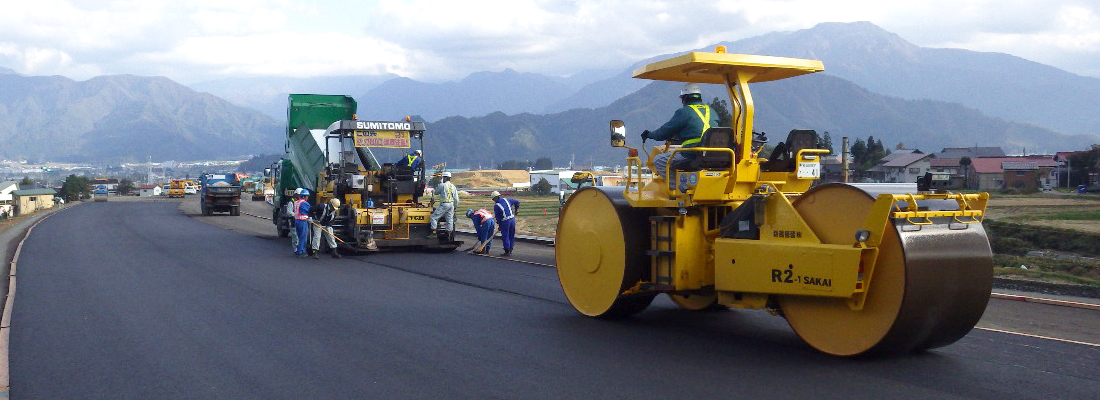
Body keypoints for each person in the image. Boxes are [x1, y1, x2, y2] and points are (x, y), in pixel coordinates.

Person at [641, 82, 720, 187]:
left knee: (659, 160)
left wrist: (649, 134)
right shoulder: (712, 111)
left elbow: (663, 132)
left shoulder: (685, 112)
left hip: (692, 153)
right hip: (713, 154)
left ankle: (677, 189)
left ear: (685, 98)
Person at [428, 172, 459, 238]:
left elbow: (436, 192)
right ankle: (449, 234)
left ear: (444, 178)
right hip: (451, 205)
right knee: (449, 219)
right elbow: (456, 198)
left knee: (433, 217)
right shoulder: (453, 186)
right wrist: (455, 207)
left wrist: (438, 184)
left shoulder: (442, 185)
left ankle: (433, 233)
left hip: (444, 204)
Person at [491, 191, 520, 256]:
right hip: (512, 219)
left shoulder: (496, 206)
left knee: (505, 236)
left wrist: (499, 225)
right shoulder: (507, 200)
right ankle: (510, 249)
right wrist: (516, 210)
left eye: (493, 199)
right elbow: (517, 202)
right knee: (511, 235)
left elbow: (498, 218)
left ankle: (507, 251)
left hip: (505, 222)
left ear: (495, 198)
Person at [292, 189, 312, 257]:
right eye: (307, 196)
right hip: (303, 221)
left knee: (300, 236)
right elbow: (310, 211)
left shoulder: (296, 202)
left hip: (296, 220)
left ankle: (301, 250)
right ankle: (300, 251)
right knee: (303, 237)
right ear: (305, 196)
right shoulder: (305, 203)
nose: (307, 198)